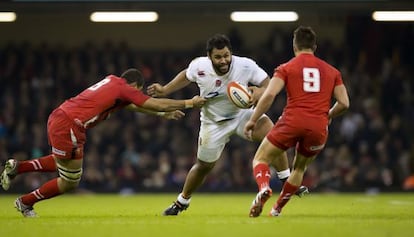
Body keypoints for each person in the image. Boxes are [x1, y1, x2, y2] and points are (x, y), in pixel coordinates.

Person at [0, 68, 206, 217]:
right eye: (138, 92)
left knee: (63, 163)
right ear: (135, 86)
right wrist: (189, 103)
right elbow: (152, 102)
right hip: (70, 125)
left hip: (62, 116)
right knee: (70, 180)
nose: (137, 96)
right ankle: (25, 202)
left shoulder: (112, 82)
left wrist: (162, 114)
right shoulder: (126, 89)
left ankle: (18, 168)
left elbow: (132, 106)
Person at [147, 34, 308, 216]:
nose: (223, 60)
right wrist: (165, 89)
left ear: (231, 53)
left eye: (226, 55)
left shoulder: (245, 65)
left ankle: (286, 179)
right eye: (218, 57)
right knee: (203, 166)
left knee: (272, 134)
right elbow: (187, 75)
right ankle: (181, 202)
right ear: (209, 57)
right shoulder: (200, 66)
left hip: (241, 115)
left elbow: (268, 83)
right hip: (213, 123)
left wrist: (259, 92)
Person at [244, 26, 350, 217]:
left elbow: (269, 95)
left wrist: (252, 120)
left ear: (294, 46)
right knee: (300, 167)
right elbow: (344, 103)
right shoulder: (332, 71)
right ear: (314, 47)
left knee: (260, 159)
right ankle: (276, 209)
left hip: (292, 121)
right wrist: (328, 116)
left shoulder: (286, 68)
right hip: (318, 126)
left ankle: (264, 187)